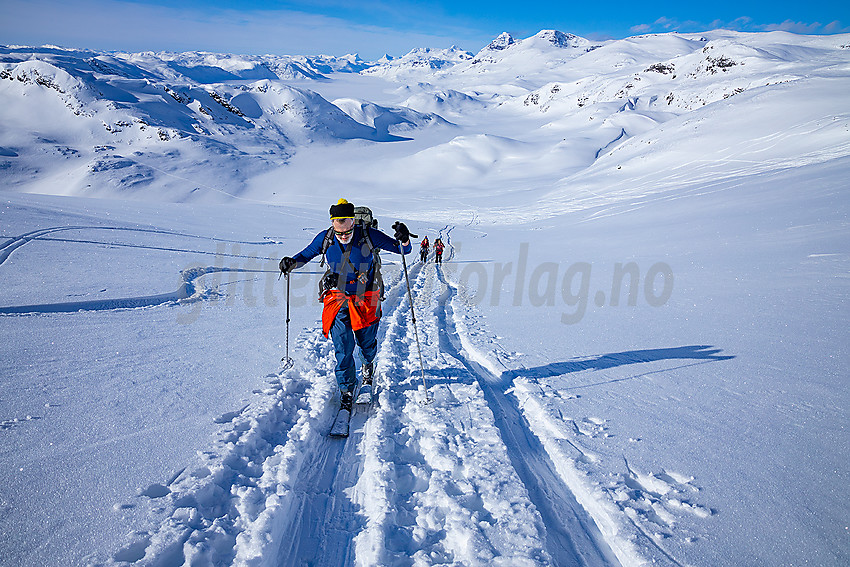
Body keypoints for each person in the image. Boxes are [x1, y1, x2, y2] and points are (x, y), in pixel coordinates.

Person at [279, 199, 412, 411]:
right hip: (337, 297)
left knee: (366, 341)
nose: (343, 236)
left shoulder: (369, 235)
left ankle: (368, 365)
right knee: (342, 345)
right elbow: (305, 255)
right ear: (332, 224)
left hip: (366, 296)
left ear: (353, 222)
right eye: (339, 231)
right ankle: (346, 389)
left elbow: (404, 251)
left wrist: (404, 240)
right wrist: (292, 263)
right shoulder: (326, 238)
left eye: (347, 229)